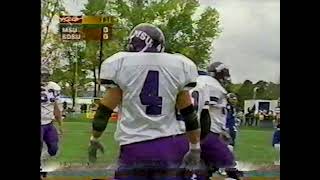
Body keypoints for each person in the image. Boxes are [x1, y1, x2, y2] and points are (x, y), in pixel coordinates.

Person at [87, 23, 201, 180]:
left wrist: (95, 138)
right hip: (168, 146)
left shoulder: (121, 64)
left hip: (134, 146)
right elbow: (189, 114)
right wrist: (195, 147)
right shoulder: (180, 65)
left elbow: (104, 110)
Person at [189, 62, 243, 180]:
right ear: (218, 74)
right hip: (208, 134)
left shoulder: (198, 81)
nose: (225, 79)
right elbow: (202, 108)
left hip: (192, 133)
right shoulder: (213, 86)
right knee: (232, 170)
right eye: (224, 75)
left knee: (202, 171)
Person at [40, 66, 63, 178]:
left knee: (53, 149)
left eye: (45, 75)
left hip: (49, 123)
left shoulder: (54, 87)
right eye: (42, 75)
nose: (43, 78)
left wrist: (60, 124)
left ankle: (42, 161)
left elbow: (56, 107)